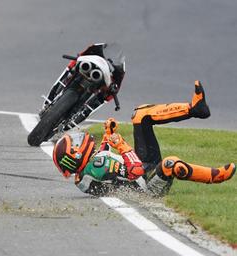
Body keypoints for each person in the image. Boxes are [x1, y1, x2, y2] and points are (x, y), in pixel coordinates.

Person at [52, 81, 235, 196]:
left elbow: (105, 158)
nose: (81, 141)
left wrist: (108, 135)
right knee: (171, 164)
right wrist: (122, 145)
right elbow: (136, 171)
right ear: (75, 155)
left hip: (141, 168)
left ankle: (195, 108)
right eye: (76, 144)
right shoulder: (94, 171)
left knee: (141, 114)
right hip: (147, 184)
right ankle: (215, 176)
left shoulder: (87, 172)